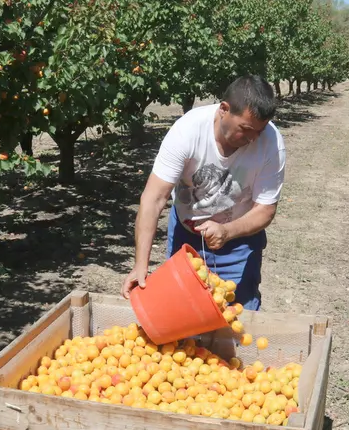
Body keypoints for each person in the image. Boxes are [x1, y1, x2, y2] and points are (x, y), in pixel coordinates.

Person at [121, 75, 286, 310]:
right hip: (186, 237)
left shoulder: (270, 143)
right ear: (224, 109)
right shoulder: (187, 131)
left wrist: (227, 231)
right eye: (246, 129)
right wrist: (140, 265)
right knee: (183, 311)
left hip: (239, 240)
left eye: (258, 131)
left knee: (237, 315)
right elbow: (153, 198)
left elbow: (266, 209)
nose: (252, 139)